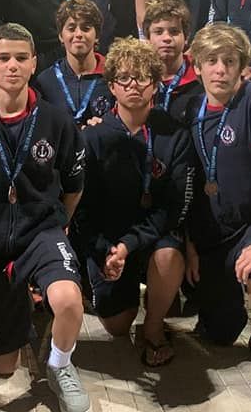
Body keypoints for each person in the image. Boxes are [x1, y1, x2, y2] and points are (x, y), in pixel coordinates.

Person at [0, 24, 90, 412]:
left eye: (21, 58)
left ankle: (60, 365)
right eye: (3, 58)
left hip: (41, 232)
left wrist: (59, 224)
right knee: (3, 365)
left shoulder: (56, 120)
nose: (12, 65)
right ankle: (21, 306)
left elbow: (74, 185)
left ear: (34, 63)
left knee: (68, 300)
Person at [181, 24, 251, 392]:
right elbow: (186, 182)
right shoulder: (191, 108)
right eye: (211, 61)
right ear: (197, 66)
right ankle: (230, 311)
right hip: (212, 232)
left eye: (229, 61)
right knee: (220, 331)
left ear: (242, 66)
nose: (220, 70)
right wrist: (189, 244)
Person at [75, 37, 192, 366]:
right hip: (110, 240)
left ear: (155, 83)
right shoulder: (92, 137)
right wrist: (106, 250)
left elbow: (172, 207)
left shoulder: (174, 134)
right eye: (124, 77)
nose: (133, 85)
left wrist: (130, 244)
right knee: (116, 326)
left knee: (168, 256)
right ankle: (112, 290)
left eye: (142, 77)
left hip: (153, 237)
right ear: (112, 86)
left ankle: (153, 325)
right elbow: (82, 210)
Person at [35, 0, 113, 127]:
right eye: (71, 29)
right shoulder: (46, 81)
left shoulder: (113, 75)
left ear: (97, 36)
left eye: (86, 28)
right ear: (61, 36)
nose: (78, 34)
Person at [142, 0, 202, 122]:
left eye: (174, 31)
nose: (167, 38)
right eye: (159, 32)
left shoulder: (201, 78)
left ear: (186, 37)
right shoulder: (137, 80)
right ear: (147, 38)